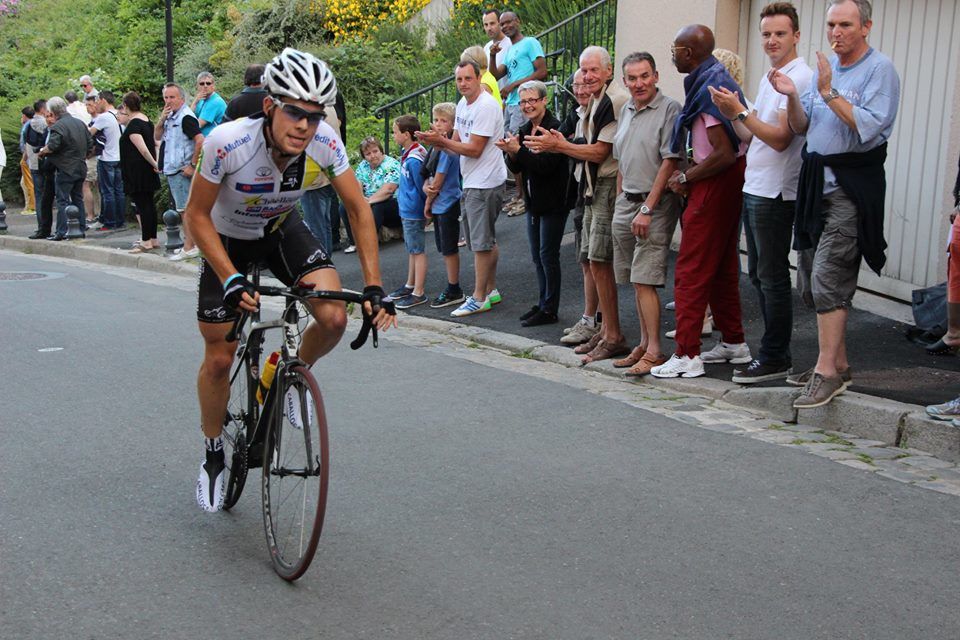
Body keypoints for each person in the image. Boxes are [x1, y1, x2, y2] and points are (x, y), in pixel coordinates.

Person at [185, 48, 396, 512]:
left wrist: (375, 285)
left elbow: (359, 209)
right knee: (219, 359)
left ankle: (289, 378)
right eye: (295, 113)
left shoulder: (325, 143)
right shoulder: (227, 142)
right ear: (269, 107)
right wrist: (231, 278)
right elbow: (195, 216)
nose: (304, 125)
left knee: (335, 317)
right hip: (227, 242)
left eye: (315, 116)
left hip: (281, 229)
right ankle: (214, 450)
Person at [771, 0, 900, 407]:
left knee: (830, 275)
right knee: (809, 275)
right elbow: (802, 125)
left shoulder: (880, 70)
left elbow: (868, 126)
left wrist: (827, 91)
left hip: (850, 186)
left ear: (866, 27)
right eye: (830, 24)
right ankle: (838, 363)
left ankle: (827, 373)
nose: (835, 32)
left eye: (845, 24)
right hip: (816, 187)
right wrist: (793, 95)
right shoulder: (825, 69)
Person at [708, 2, 814, 384]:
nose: (771, 40)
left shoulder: (798, 77)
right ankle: (773, 354)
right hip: (756, 186)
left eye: (780, 33)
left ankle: (775, 357)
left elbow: (782, 139)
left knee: (771, 278)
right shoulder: (773, 74)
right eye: (766, 34)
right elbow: (751, 134)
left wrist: (740, 110)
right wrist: (731, 109)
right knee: (758, 276)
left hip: (776, 193)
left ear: (796, 36)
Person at [650, 25, 751, 379]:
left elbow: (723, 152)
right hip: (726, 182)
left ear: (689, 53)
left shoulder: (709, 88)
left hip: (714, 183)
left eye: (675, 49)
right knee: (722, 267)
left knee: (691, 270)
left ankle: (687, 353)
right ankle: (735, 342)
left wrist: (686, 176)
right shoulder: (712, 79)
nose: (673, 55)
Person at [524, 46, 631, 364]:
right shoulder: (595, 102)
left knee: (600, 261)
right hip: (591, 186)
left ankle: (613, 335)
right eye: (583, 71)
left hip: (608, 185)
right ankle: (605, 331)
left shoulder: (614, 101)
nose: (585, 77)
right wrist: (560, 143)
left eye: (592, 70)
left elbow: (600, 152)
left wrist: (560, 145)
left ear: (609, 72)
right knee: (593, 261)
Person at [609, 52, 684, 377]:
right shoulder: (626, 108)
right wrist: (621, 199)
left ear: (655, 76)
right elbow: (621, 157)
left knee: (645, 278)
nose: (639, 83)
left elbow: (669, 161)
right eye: (633, 78)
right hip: (628, 201)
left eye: (644, 76)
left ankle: (654, 350)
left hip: (654, 205)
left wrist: (646, 208)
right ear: (625, 81)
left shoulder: (669, 109)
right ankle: (642, 344)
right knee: (633, 280)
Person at [416, 60, 507, 317]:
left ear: (479, 78)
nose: (464, 84)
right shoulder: (464, 105)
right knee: (484, 239)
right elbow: (455, 143)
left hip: (485, 182)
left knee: (480, 243)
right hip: (473, 181)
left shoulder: (486, 106)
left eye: (468, 78)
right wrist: (435, 141)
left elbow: (474, 149)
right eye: (459, 80)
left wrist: (441, 142)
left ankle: (478, 297)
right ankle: (491, 290)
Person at [497, 80, 571, 326]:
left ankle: (550, 308)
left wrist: (519, 151)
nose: (527, 106)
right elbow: (517, 167)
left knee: (548, 255)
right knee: (537, 257)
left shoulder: (554, 128)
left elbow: (545, 166)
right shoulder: (525, 128)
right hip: (533, 202)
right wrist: (511, 151)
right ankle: (543, 303)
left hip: (553, 202)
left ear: (544, 100)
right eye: (524, 101)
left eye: (532, 100)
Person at [557, 70, 602, 348]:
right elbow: (558, 142)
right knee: (585, 259)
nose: (582, 89)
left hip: (597, 191)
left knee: (597, 261)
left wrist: (564, 144)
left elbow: (594, 149)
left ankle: (598, 322)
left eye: (587, 84)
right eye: (578, 84)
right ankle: (590, 320)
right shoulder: (576, 114)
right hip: (580, 192)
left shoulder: (604, 110)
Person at [489, 10, 547, 216]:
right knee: (511, 149)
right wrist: (493, 55)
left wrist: (513, 85)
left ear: (518, 21)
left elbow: (541, 71)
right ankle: (521, 194)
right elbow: (495, 74)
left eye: (508, 22)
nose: (505, 27)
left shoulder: (530, 42)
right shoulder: (510, 50)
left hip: (524, 103)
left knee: (519, 147)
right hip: (511, 104)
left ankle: (525, 196)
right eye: (502, 24)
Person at [421, 102, 465, 308]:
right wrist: (425, 188)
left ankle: (454, 287)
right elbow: (427, 175)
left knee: (449, 248)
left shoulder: (447, 150)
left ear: (453, 125)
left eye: (444, 121)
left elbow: (437, 181)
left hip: (447, 202)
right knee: (443, 247)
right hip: (440, 203)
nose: (438, 125)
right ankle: (452, 285)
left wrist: (427, 201)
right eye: (436, 120)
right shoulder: (435, 148)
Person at [155, 82, 204, 260]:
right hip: (173, 169)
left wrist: (192, 165)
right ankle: (193, 244)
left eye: (172, 97)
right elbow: (157, 136)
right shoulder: (171, 116)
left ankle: (189, 247)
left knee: (186, 210)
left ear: (181, 99)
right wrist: (161, 118)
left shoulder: (185, 117)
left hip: (181, 170)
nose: (168, 101)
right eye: (166, 97)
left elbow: (200, 140)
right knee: (187, 209)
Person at [387, 114, 430, 309]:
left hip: (413, 210)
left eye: (395, 132)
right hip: (407, 208)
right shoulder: (411, 153)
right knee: (412, 250)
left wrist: (425, 209)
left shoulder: (414, 158)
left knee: (417, 250)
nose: (393, 136)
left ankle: (418, 291)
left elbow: (421, 186)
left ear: (406, 134)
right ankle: (410, 284)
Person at [37, 96, 93, 240]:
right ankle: (80, 229)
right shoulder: (80, 123)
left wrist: (43, 151)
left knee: (63, 200)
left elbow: (53, 146)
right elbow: (90, 144)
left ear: (53, 112)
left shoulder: (58, 126)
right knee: (78, 199)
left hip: (66, 168)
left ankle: (61, 231)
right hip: (80, 166)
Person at [117, 92, 161, 252]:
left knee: (143, 205)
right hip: (145, 169)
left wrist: (155, 163)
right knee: (148, 204)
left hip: (138, 171)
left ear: (127, 106)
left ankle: (146, 240)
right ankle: (153, 238)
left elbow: (143, 148)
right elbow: (154, 143)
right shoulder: (146, 120)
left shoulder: (134, 124)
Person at [350, 136, 403, 240]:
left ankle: (369, 240)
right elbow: (357, 184)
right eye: (368, 154)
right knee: (345, 206)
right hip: (369, 201)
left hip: (393, 204)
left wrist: (367, 202)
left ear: (381, 151)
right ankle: (354, 241)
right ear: (364, 156)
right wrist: (359, 199)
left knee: (378, 207)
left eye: (375, 151)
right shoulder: (363, 166)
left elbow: (388, 190)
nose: (372, 156)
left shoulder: (391, 165)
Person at [89, 90, 125, 230]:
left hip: (107, 158)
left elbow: (89, 133)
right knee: (119, 190)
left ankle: (109, 222)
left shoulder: (103, 117)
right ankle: (120, 220)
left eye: (97, 101)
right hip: (119, 157)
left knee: (107, 191)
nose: (96, 104)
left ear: (103, 100)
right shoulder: (118, 114)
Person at [481, 8, 511, 93]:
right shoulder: (487, 47)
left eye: (492, 23)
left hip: (507, 97)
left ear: (500, 23)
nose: (489, 28)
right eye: (486, 25)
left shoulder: (510, 44)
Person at [191, 72, 227, 136]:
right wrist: (195, 101)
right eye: (202, 84)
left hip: (215, 141)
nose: (205, 86)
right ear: (197, 86)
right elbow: (190, 116)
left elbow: (197, 125)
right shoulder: (201, 99)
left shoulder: (215, 102)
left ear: (213, 86)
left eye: (208, 83)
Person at [18, 107, 37, 215]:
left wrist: (24, 157)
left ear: (25, 115)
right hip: (29, 156)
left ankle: (31, 206)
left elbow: (26, 143)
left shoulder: (27, 126)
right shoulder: (30, 124)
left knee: (28, 182)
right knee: (24, 182)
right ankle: (28, 205)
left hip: (28, 157)